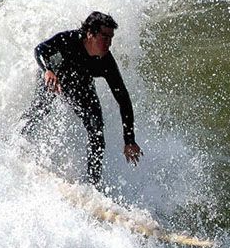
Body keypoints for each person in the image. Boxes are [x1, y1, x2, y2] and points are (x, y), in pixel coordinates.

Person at [21, 11, 142, 186]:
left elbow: (123, 99)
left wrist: (129, 140)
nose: (109, 43)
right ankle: (19, 140)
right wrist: (47, 69)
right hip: (54, 77)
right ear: (90, 33)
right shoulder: (69, 39)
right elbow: (40, 49)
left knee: (97, 132)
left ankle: (93, 184)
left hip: (81, 88)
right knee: (41, 109)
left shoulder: (106, 62)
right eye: (105, 37)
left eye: (111, 38)